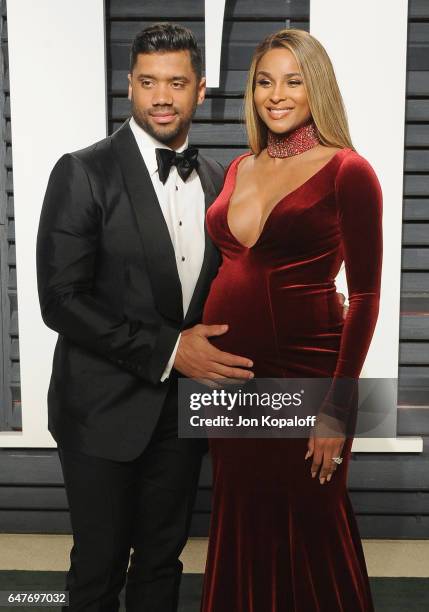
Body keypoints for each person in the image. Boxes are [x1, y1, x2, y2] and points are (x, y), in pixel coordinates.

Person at [36, 23, 255, 612]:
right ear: (129, 86)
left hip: (183, 413)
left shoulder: (218, 181)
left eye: (177, 82)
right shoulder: (82, 172)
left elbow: (228, 287)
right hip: (101, 411)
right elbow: (59, 298)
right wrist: (168, 349)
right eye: (149, 82)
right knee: (99, 567)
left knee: (162, 563)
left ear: (200, 90)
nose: (163, 96)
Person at [200, 29, 382, 612]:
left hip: (308, 377)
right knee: (241, 518)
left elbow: (368, 295)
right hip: (230, 382)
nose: (276, 94)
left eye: (293, 80)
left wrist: (338, 405)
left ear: (316, 87)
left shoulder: (347, 170)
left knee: (311, 523)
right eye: (264, 81)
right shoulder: (238, 169)